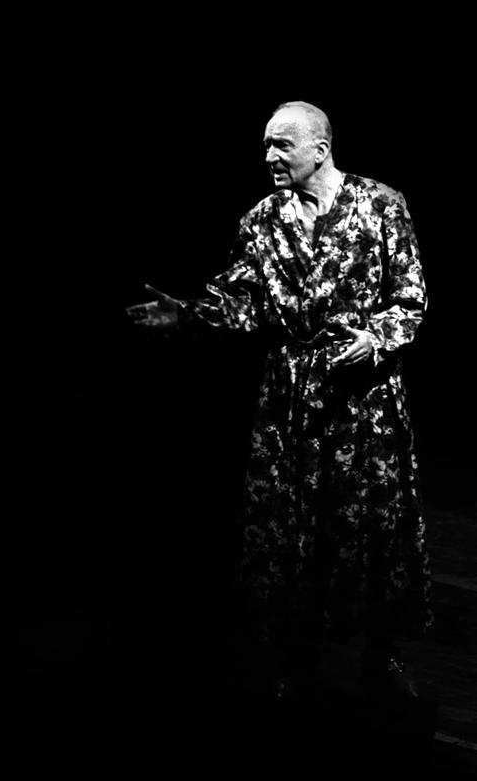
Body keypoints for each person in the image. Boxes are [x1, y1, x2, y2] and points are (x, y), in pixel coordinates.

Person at [126, 101, 432, 703]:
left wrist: (376, 338)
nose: (269, 156)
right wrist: (187, 314)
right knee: (288, 530)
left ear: (320, 148)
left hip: (362, 400)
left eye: (280, 145)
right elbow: (244, 302)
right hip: (291, 397)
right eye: (265, 145)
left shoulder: (380, 205)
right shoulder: (262, 220)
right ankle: (293, 659)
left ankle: (383, 655)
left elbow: (410, 296)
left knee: (374, 524)